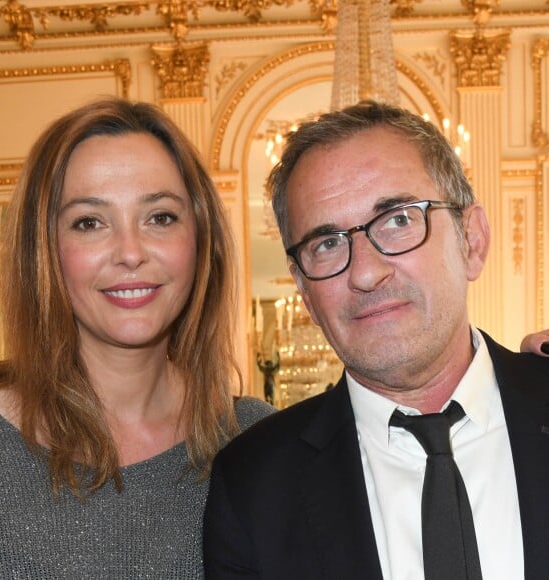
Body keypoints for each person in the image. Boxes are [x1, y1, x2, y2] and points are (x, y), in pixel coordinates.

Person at [203, 100, 549, 580]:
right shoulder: (252, 485)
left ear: (472, 240)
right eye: (326, 244)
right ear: (304, 291)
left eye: (400, 220)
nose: (365, 272)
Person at [0, 97, 274, 578]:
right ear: (43, 249)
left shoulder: (257, 443)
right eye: (90, 223)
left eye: (160, 217)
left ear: (200, 241)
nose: (130, 252)